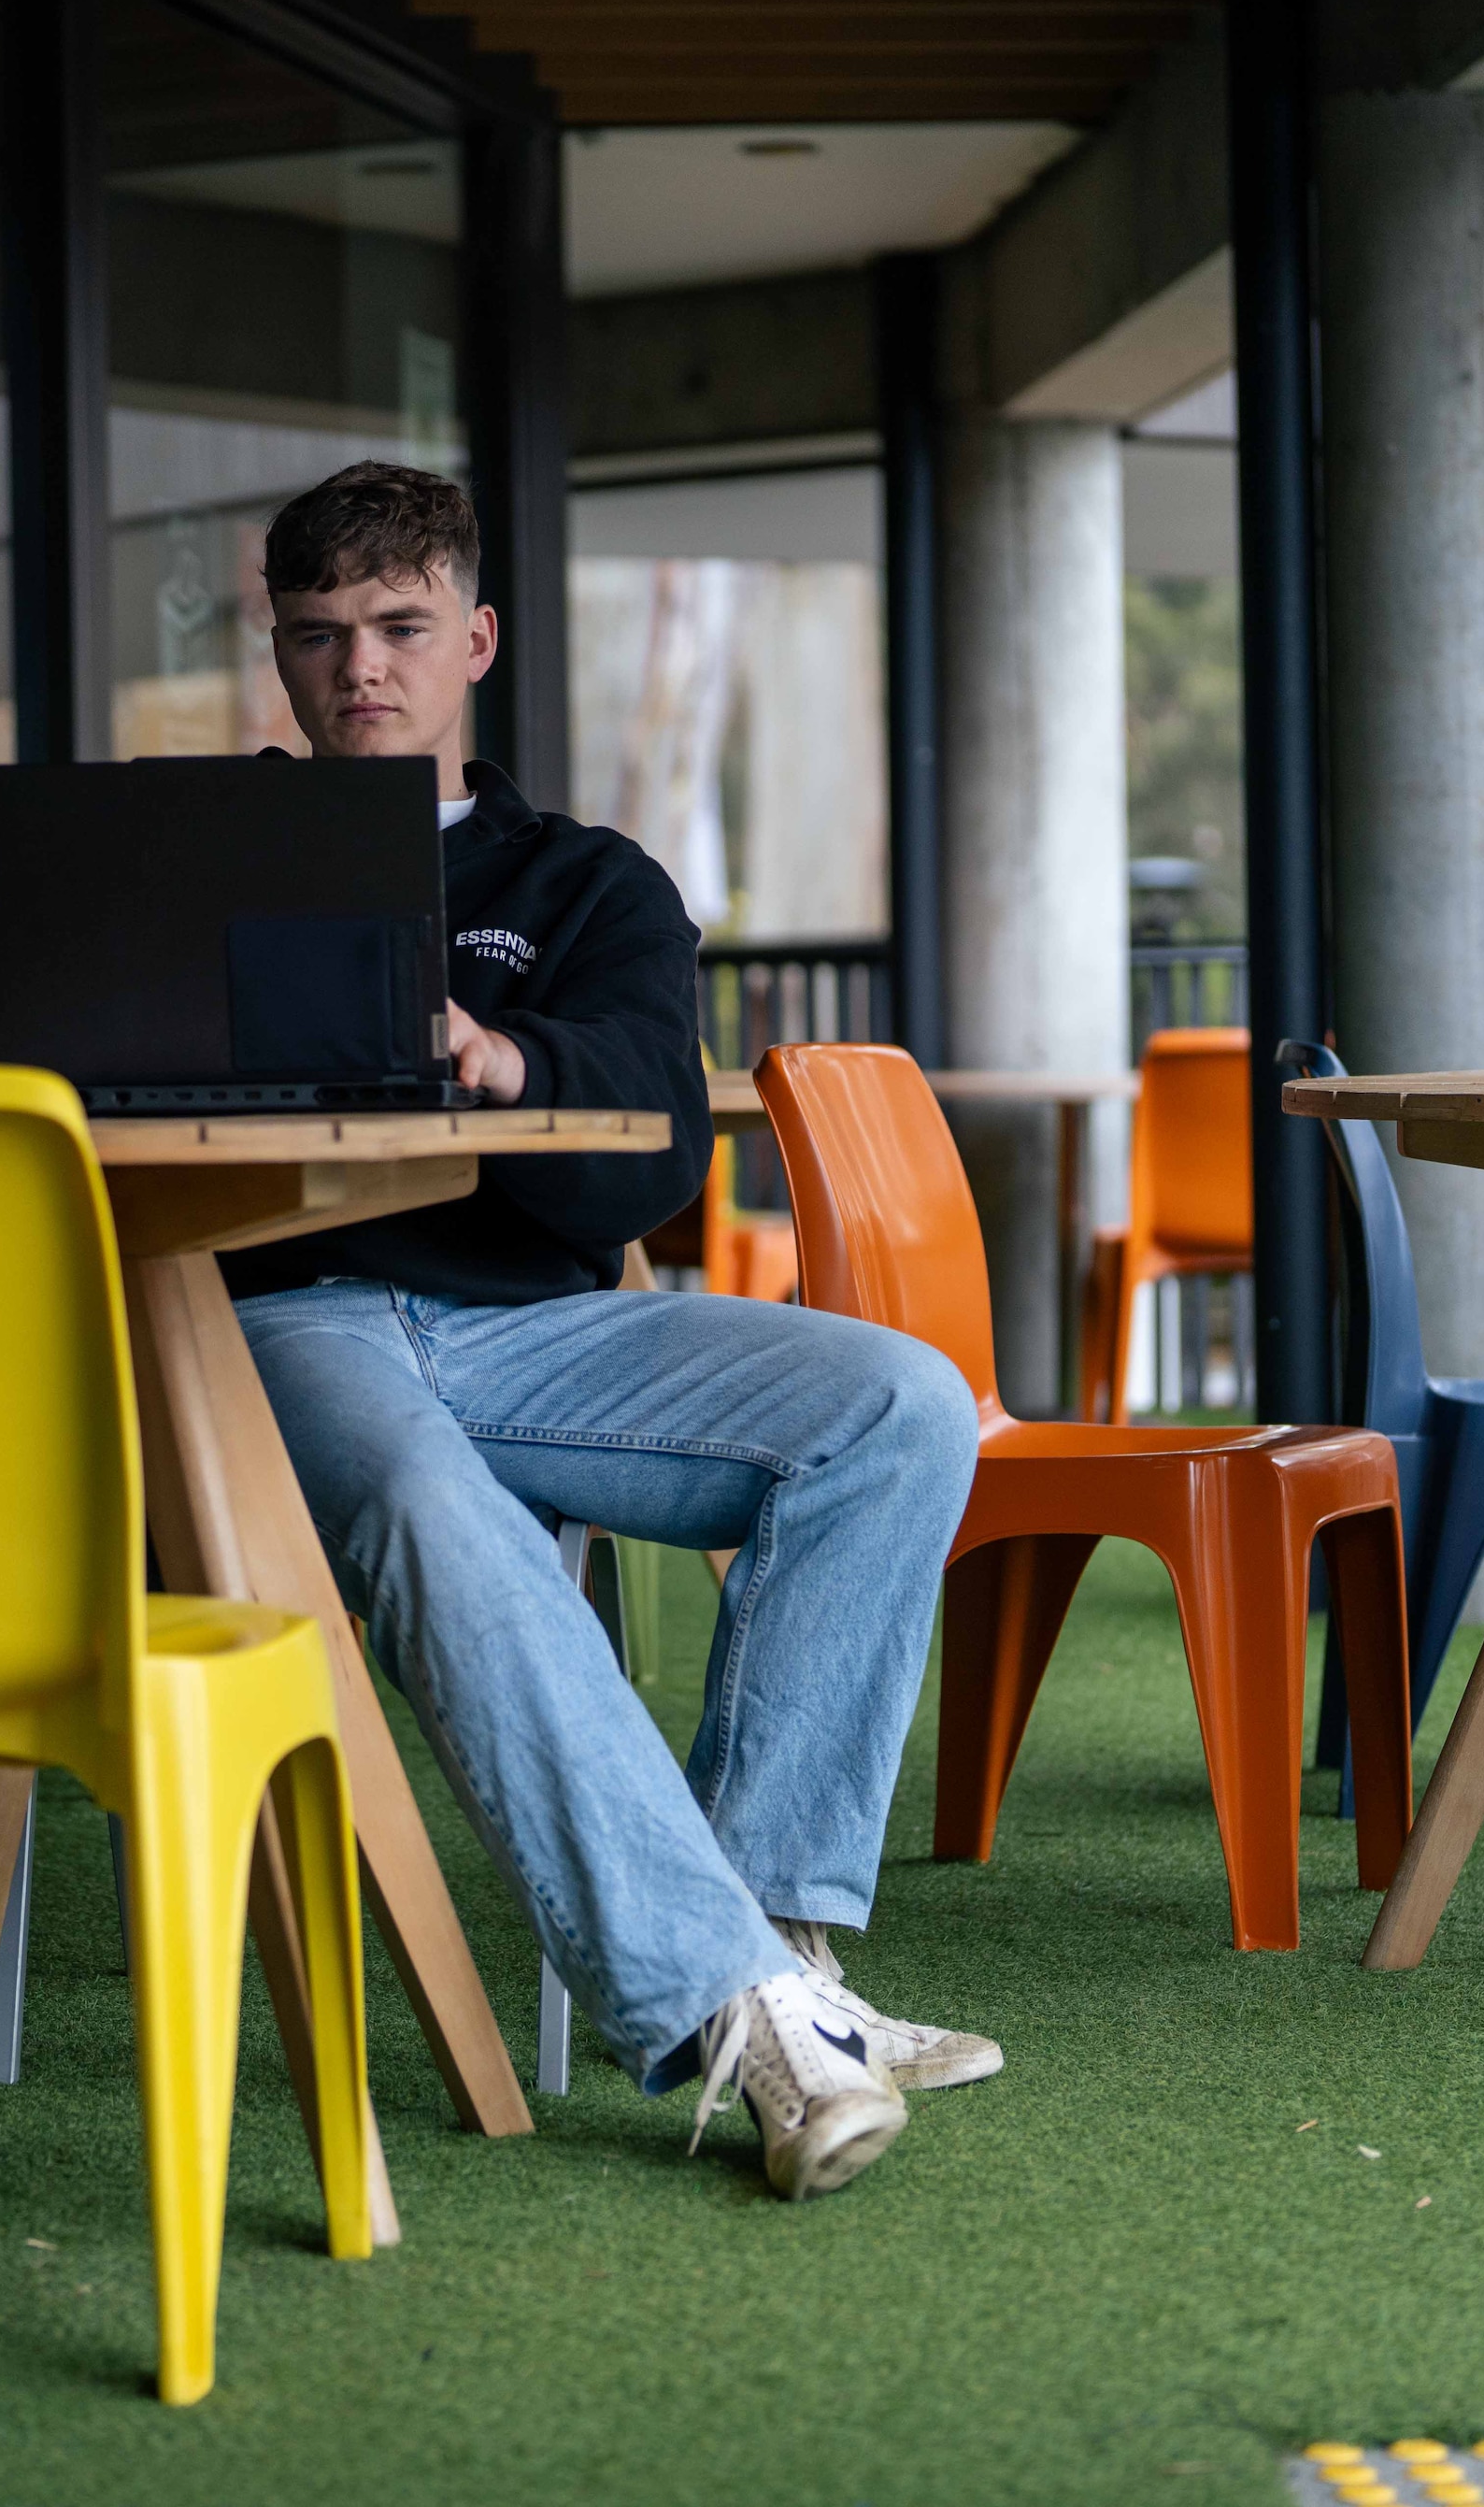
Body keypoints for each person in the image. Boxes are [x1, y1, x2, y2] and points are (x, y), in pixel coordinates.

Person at [221, 460, 987, 2199]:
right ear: (282, 658)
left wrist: (504, 1062)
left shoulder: (581, 886)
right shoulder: (196, 863)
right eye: (322, 637)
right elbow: (19, 1085)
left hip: (531, 1332)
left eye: (402, 628)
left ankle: (780, 1950)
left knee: (897, 1405)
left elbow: (647, 1132)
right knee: (424, 1502)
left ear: (476, 639)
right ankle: (745, 2017)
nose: (363, 670)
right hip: (287, 1323)